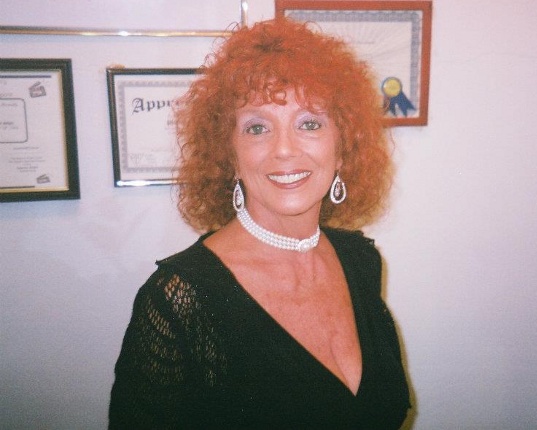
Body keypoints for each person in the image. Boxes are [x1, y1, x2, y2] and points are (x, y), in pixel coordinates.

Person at [109, 18, 411, 429]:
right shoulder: (179, 299)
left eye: (309, 123)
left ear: (342, 148)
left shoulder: (360, 260)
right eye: (257, 128)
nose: (284, 149)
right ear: (230, 156)